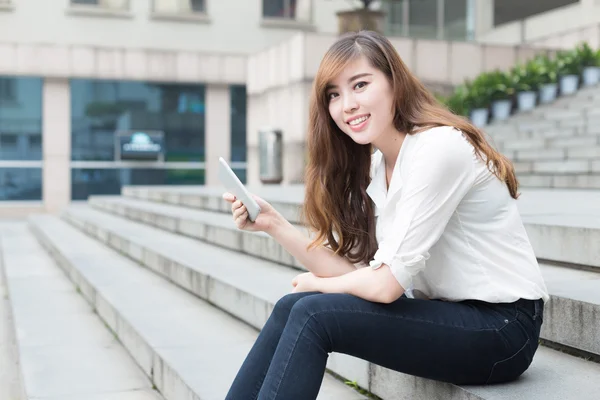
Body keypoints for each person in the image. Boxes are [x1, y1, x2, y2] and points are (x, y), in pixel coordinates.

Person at [222, 30, 549, 400]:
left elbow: (384, 286)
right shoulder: (383, 166)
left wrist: (320, 285)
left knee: (313, 313)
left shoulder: (438, 147)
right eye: (334, 94)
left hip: (503, 329)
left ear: (395, 82)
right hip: (449, 316)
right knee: (292, 307)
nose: (346, 105)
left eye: (360, 84)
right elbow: (364, 278)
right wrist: (274, 224)